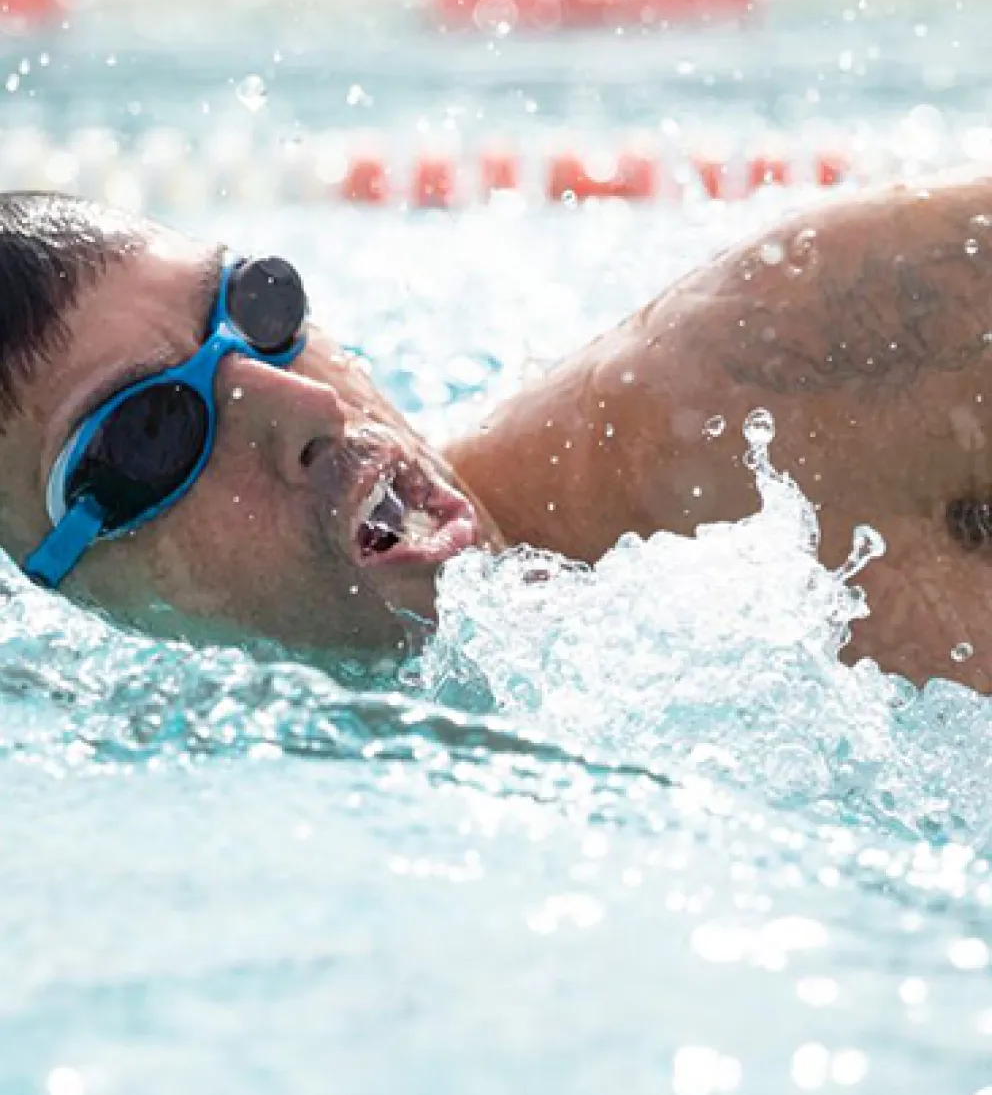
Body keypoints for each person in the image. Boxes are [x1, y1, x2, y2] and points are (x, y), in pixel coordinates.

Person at [2, 175, 991, 695]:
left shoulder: (744, 390)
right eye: (150, 432)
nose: (305, 408)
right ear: (67, 588)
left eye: (259, 309)